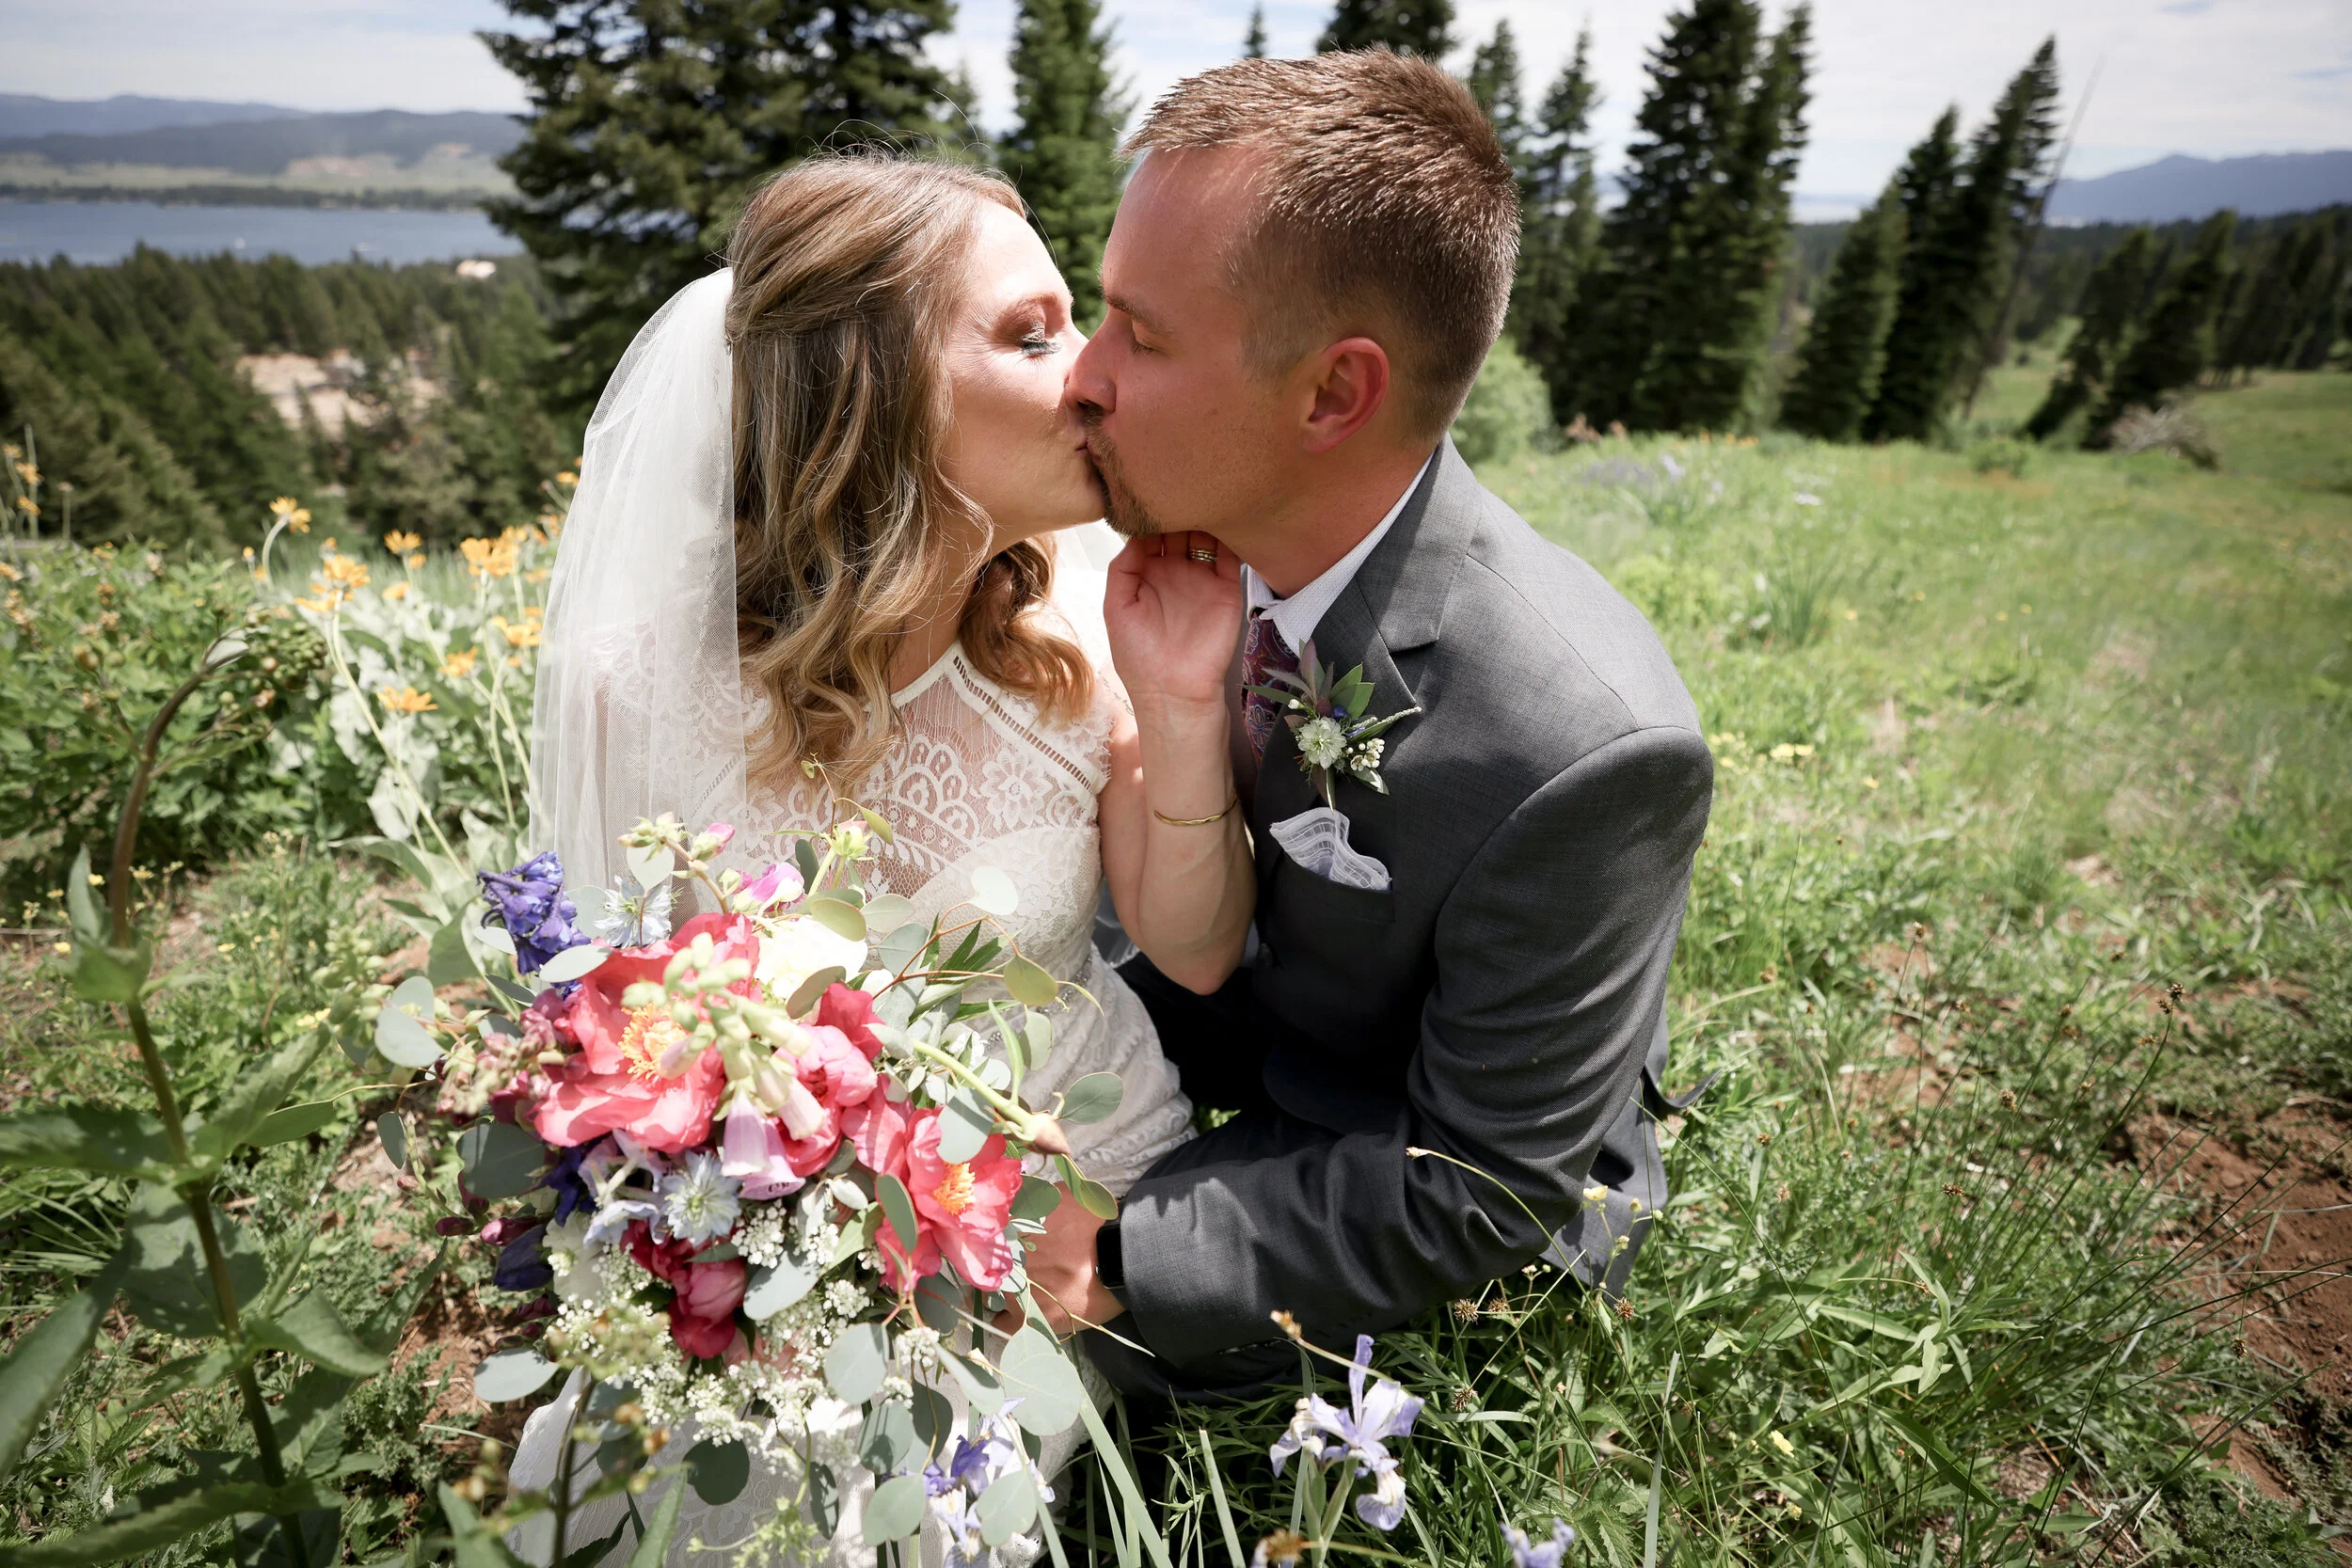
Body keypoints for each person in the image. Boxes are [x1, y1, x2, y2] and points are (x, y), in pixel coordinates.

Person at [516, 154, 1248, 1564]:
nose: (1095, 375)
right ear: (874, 390)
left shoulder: (1079, 656)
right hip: (769, 1225)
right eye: (1032, 337)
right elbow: (606, 1031)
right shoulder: (639, 686)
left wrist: (1186, 707)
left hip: (1057, 1218)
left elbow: (1199, 946)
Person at [1012, 51, 1716, 1400]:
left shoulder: (1583, 748)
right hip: (1246, 1027)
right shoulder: (1204, 544)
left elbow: (1482, 1189)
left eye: (1140, 336)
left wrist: (1129, 1255)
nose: (1083, 378)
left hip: (1401, 1167)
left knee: (1004, 1337)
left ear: (1335, 395)